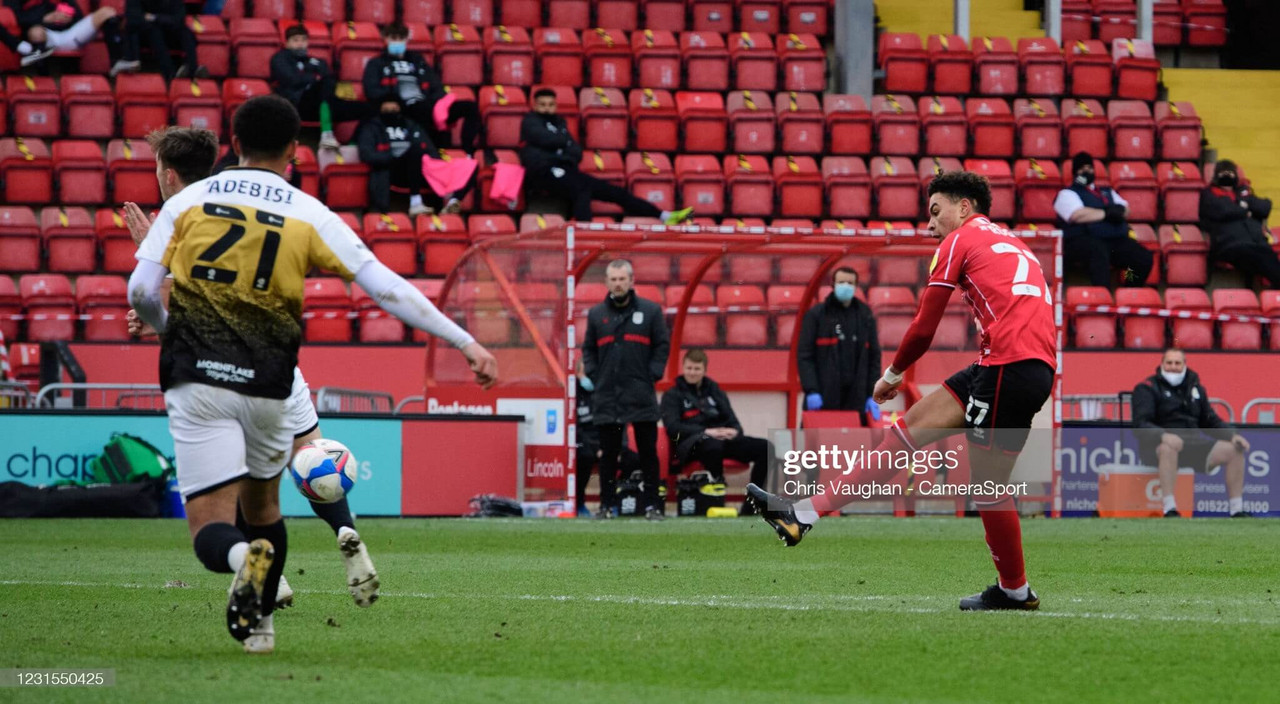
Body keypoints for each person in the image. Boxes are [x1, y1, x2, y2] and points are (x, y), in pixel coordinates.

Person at [128, 95, 498, 653]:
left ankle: (241, 564)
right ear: (295, 152)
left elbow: (138, 291)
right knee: (264, 509)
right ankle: (262, 628)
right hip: (271, 380)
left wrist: (166, 329)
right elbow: (384, 286)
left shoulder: (190, 200)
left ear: (232, 144)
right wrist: (464, 341)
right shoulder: (309, 212)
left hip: (198, 375)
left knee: (211, 530)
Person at [748, 171, 1057, 612]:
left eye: (936, 211)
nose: (929, 225)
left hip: (1009, 365)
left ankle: (1014, 591)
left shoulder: (960, 240)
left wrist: (892, 374)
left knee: (988, 486)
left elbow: (923, 326)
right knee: (907, 432)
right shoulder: (1013, 241)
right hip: (1014, 364)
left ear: (964, 207)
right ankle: (801, 514)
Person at [122, 126, 382, 611]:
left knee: (233, 487)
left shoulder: (184, 217)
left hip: (218, 372)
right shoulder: (238, 201)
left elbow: (201, 302)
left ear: (168, 173)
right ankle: (345, 530)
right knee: (310, 454)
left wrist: (158, 291)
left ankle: (265, 578)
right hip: (277, 366)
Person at [520, 89, 693, 225]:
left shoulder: (560, 123)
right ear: (535, 105)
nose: (547, 108)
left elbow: (576, 152)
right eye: (542, 104)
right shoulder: (530, 121)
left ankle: (663, 215)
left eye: (551, 104)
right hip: (542, 172)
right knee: (581, 189)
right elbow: (545, 139)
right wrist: (563, 145)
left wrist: (563, 149)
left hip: (566, 171)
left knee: (613, 192)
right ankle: (584, 235)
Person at [581, 260, 669, 520]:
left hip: (640, 393)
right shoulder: (597, 315)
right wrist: (596, 376)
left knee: (647, 453)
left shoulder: (651, 311)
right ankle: (607, 506)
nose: (618, 283)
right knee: (608, 455)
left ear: (631, 281)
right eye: (613, 279)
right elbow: (588, 350)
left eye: (622, 279)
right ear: (607, 282)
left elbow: (662, 346)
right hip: (607, 395)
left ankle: (653, 505)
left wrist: (651, 374)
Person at [1131, 348, 1251, 518]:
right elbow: (1140, 424)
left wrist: (1232, 435)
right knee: (1168, 447)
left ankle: (1237, 510)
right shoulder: (1147, 388)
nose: (1173, 367)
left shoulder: (1195, 388)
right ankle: (1169, 508)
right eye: (1169, 363)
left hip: (1193, 443)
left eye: (1177, 363)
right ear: (1162, 364)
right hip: (1159, 447)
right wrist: (1163, 435)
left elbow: (1210, 420)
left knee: (1234, 450)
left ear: (1184, 365)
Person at [660, 348, 770, 516]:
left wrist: (733, 432)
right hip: (691, 445)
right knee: (713, 446)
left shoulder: (715, 391)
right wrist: (706, 431)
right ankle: (716, 502)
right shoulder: (672, 395)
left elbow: (734, 422)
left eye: (697, 369)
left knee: (766, 448)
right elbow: (673, 427)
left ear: (704, 370)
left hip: (721, 440)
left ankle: (752, 505)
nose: (692, 372)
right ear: (683, 368)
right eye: (689, 368)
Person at [362, 21, 484, 157]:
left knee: (470, 107)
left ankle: (467, 151)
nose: (397, 42)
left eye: (400, 39)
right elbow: (371, 90)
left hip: (427, 104)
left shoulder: (417, 60)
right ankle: (433, 154)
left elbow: (435, 84)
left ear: (407, 39)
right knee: (423, 116)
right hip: (401, 106)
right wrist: (391, 99)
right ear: (385, 39)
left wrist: (440, 103)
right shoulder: (376, 63)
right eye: (393, 39)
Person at [796, 266, 882, 424]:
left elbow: (874, 357)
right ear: (833, 284)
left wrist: (872, 393)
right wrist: (811, 390)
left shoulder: (865, 315)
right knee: (818, 445)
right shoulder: (816, 315)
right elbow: (804, 356)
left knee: (853, 446)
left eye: (850, 283)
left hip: (857, 396)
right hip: (823, 395)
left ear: (856, 287)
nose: (846, 286)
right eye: (841, 282)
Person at [1055, 151, 1153, 288]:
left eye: (1089, 168)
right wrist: (1107, 213)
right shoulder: (1067, 193)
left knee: (1141, 258)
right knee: (1098, 252)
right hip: (1081, 241)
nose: (1086, 171)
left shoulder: (1106, 192)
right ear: (1075, 172)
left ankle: (1130, 290)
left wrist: (1112, 213)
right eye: (1082, 168)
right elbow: (1077, 215)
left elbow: (1125, 210)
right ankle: (1102, 297)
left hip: (1112, 240)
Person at [270, 25, 375, 151]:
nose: (300, 44)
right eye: (296, 40)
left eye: (303, 40)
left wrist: (310, 78)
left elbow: (330, 79)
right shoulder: (280, 59)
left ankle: (353, 144)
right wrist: (314, 77)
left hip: (326, 104)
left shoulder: (318, 61)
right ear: (287, 43)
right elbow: (292, 80)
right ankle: (327, 133)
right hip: (298, 104)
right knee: (323, 86)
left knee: (369, 109)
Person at [573, 359, 639, 517]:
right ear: (578, 373)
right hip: (585, 443)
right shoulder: (573, 394)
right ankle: (579, 503)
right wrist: (596, 449)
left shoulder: (610, 393)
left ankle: (613, 501)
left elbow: (620, 423)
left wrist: (619, 448)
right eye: (586, 373)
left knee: (633, 460)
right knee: (584, 457)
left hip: (609, 442)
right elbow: (574, 427)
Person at [356, 100, 445, 216]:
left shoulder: (411, 125)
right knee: (415, 151)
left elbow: (429, 149)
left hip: (416, 170)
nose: (391, 113)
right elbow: (367, 155)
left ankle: (447, 203)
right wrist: (390, 157)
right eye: (387, 111)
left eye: (394, 110)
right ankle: (415, 201)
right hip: (388, 170)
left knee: (419, 152)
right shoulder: (371, 128)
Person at [1199, 159, 1280, 287]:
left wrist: (1243, 204)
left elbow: (1265, 206)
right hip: (1228, 245)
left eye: (1230, 174)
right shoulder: (1209, 194)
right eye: (1223, 174)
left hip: (1254, 243)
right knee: (1261, 256)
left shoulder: (1241, 194)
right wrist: (1246, 209)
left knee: (1267, 255)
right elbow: (1224, 210)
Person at [0, 0, 121, 68]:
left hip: (70, 34)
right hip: (44, 35)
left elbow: (78, 15)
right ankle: (42, 73)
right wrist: (44, 18)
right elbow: (16, 19)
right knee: (35, 32)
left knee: (107, 12)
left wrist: (68, 18)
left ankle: (117, 63)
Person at [115, 0, 203, 80]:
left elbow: (179, 20)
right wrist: (158, 20)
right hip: (144, 34)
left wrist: (155, 17)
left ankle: (192, 69)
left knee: (186, 32)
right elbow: (134, 19)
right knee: (154, 31)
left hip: (168, 30)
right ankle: (171, 74)